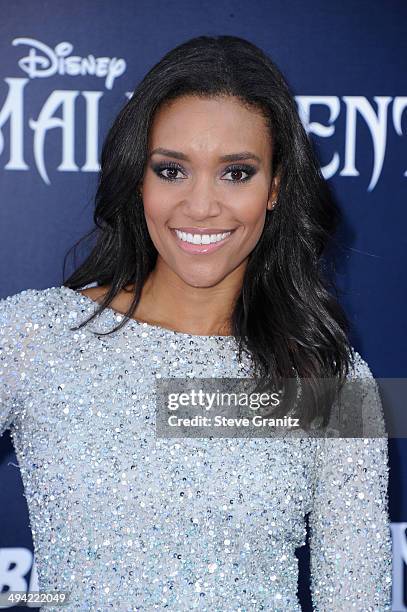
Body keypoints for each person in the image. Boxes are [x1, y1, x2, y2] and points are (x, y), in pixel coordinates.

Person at [0, 35, 392, 611]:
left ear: (275, 188)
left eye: (236, 173)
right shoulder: (34, 336)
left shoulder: (330, 380)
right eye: (171, 170)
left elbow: (355, 600)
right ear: (139, 179)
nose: (201, 205)